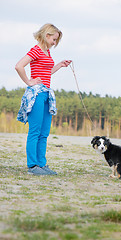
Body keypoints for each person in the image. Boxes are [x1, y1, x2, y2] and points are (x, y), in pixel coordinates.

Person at [15, 23, 71, 175]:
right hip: (37, 95)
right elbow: (19, 66)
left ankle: (41, 164)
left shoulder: (47, 53)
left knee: (44, 132)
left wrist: (59, 65)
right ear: (47, 36)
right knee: (35, 131)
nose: (54, 43)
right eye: (54, 39)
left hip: (47, 94)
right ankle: (33, 166)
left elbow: (46, 72)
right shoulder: (36, 50)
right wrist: (29, 81)